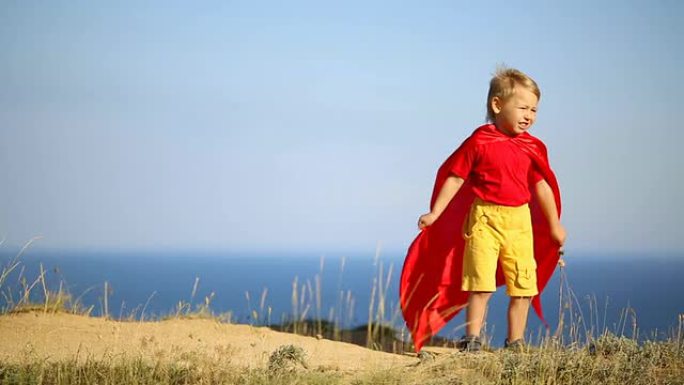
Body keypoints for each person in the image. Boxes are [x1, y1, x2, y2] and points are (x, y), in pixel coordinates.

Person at [399, 67, 566, 353]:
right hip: (484, 220)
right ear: (497, 105)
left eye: (534, 110)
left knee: (524, 286)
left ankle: (516, 344)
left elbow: (543, 187)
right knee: (481, 283)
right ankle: (472, 340)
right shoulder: (480, 141)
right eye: (523, 107)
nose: (529, 115)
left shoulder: (533, 147)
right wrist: (435, 213)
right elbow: (455, 177)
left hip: (520, 223)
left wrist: (554, 225)